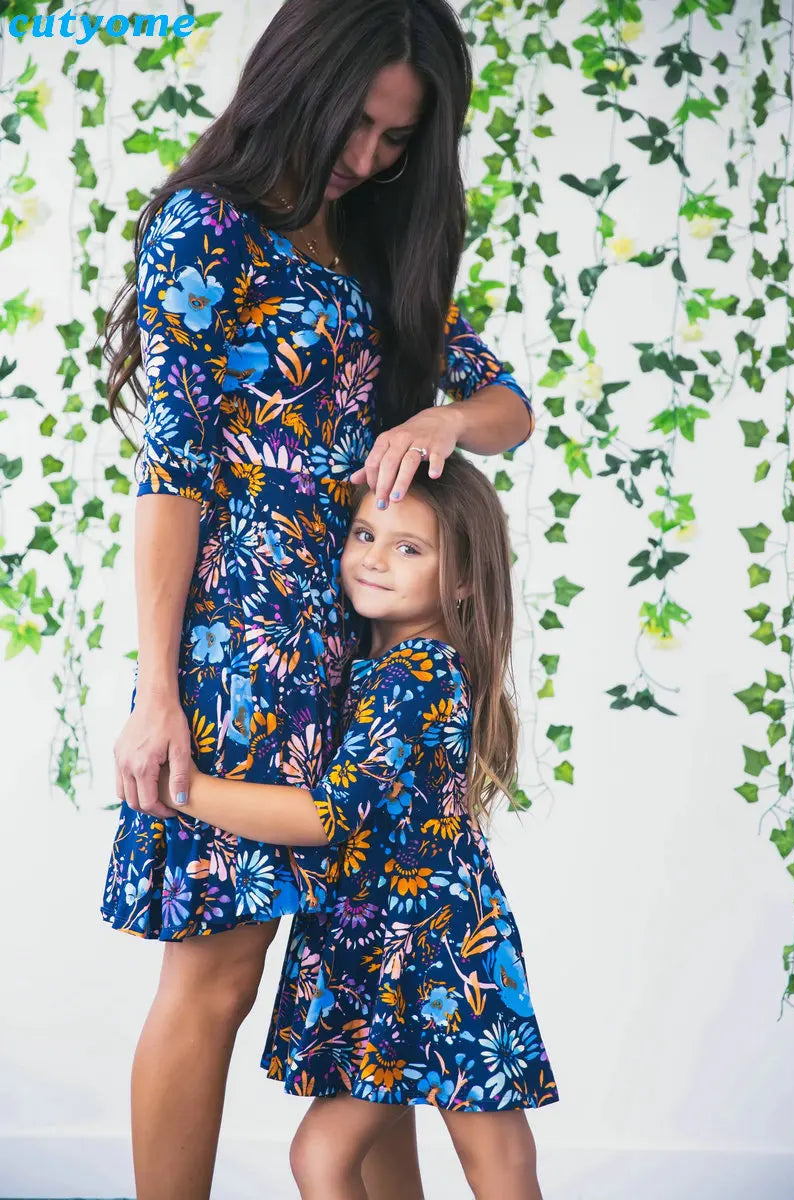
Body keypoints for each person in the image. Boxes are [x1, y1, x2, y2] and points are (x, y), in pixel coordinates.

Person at [101, 1, 534, 1196]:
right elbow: (173, 475)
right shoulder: (209, 231)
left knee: (373, 988)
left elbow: (509, 407)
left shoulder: (380, 247)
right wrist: (157, 694)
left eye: (398, 140)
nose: (368, 157)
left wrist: (445, 415)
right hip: (240, 654)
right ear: (300, 80)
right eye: (359, 123)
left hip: (368, 640)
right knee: (217, 979)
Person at [157, 454, 558, 1200]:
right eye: (365, 534)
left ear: (464, 578)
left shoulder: (419, 675)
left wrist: (184, 789)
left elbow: (326, 817)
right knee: (364, 1159)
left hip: (440, 954)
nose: (373, 558)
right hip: (379, 953)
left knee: (492, 1166)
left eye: (409, 548)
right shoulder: (370, 664)